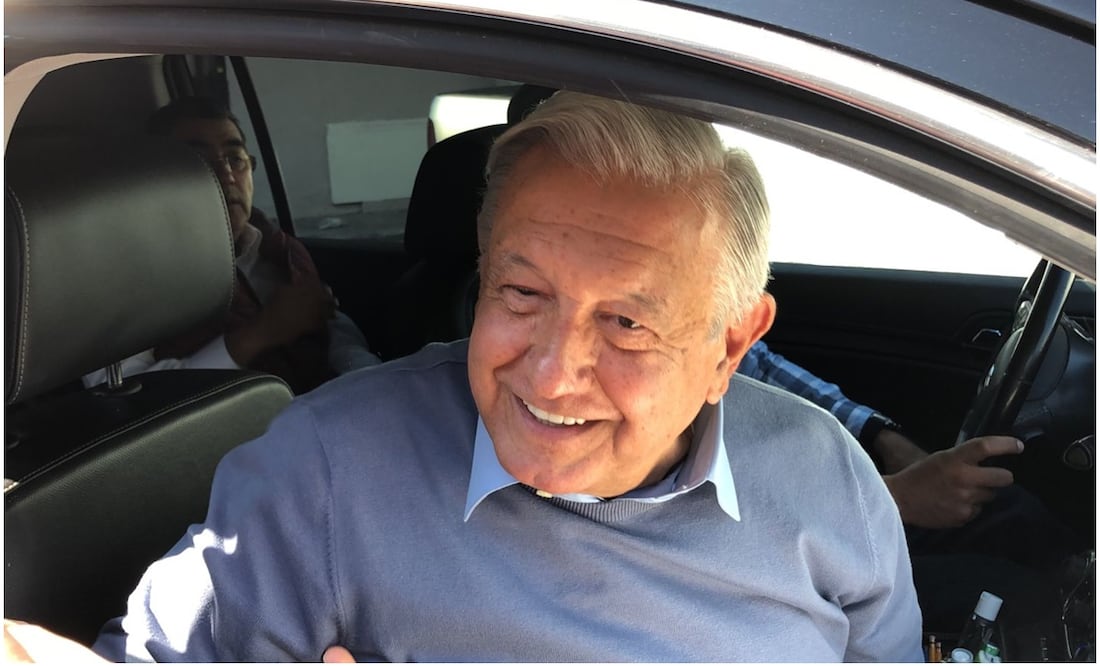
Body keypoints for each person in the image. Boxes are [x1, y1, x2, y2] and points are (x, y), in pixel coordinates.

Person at [91, 91, 923, 661]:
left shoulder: (830, 479)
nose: (554, 375)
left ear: (731, 348)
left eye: (627, 323)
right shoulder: (326, 473)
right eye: (521, 293)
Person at [81, 96, 379, 395]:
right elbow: (125, 398)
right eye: (199, 161)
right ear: (152, 177)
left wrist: (364, 378)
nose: (226, 175)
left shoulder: (279, 249)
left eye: (235, 158)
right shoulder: (122, 278)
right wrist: (258, 335)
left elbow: (329, 325)